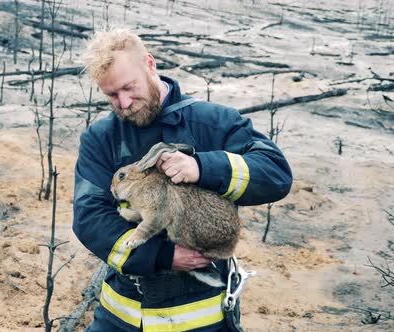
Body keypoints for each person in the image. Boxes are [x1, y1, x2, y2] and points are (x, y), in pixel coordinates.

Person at [72, 28, 292, 332]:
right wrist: (162, 255)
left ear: (149, 64)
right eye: (111, 95)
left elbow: (276, 174)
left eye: (129, 87)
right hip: (121, 315)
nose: (123, 103)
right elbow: (89, 218)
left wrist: (204, 167)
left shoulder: (214, 123)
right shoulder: (101, 139)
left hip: (202, 316)